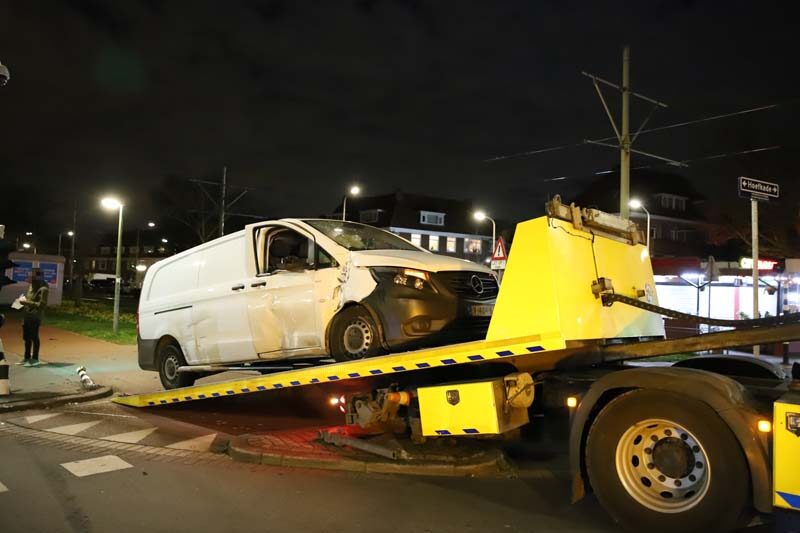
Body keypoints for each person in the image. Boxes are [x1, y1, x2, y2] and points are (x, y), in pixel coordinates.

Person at [20, 270, 49, 367]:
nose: (28, 279)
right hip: (27, 315)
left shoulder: (43, 289)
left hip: (35, 317)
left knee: (34, 336)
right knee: (26, 337)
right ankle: (27, 357)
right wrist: (23, 301)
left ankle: (35, 358)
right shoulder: (31, 286)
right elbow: (30, 299)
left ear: (37, 278)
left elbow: (42, 305)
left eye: (31, 277)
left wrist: (26, 303)